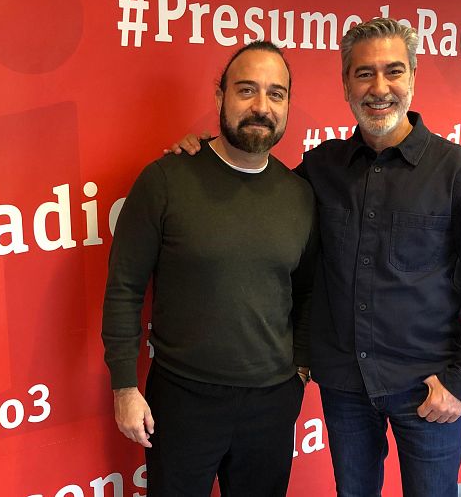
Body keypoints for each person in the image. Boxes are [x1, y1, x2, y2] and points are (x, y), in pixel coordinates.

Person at [171, 18, 461, 497]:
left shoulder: (458, 171)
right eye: (364, 73)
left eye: (393, 71)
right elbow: (256, 188)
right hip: (345, 387)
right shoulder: (322, 167)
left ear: (413, 78)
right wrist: (204, 159)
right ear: (346, 85)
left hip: (427, 388)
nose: (379, 88)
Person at [101, 41, 317, 496]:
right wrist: (124, 386)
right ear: (220, 96)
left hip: (272, 403)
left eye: (276, 94)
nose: (261, 107)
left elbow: (307, 292)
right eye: (246, 90)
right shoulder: (165, 181)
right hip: (183, 400)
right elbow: (124, 287)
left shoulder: (300, 194)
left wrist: (299, 370)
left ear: (287, 106)